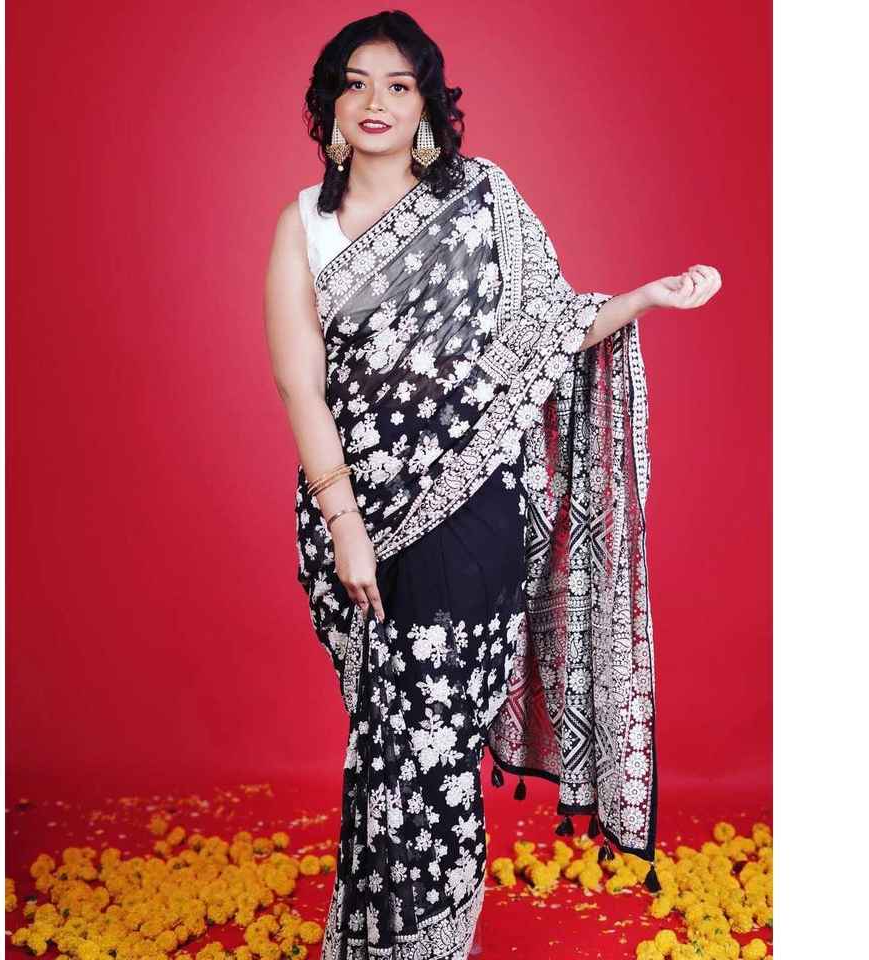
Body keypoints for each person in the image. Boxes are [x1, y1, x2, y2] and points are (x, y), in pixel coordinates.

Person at [263, 12, 721, 960]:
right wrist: (345, 524)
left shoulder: (483, 202)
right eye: (356, 83)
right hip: (357, 515)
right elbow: (299, 383)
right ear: (331, 107)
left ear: (426, 104)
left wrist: (641, 299)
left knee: (434, 743)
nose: (376, 101)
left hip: (473, 514)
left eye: (398, 85)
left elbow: (549, 327)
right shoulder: (302, 225)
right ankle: (378, 939)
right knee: (391, 741)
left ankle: (424, 942)